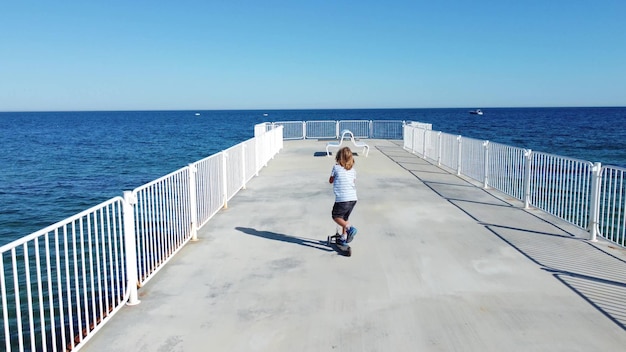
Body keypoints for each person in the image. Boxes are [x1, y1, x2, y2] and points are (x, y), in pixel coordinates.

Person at [329, 146, 358, 245]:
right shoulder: (353, 171)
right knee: (344, 218)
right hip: (353, 198)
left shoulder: (336, 167)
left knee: (336, 216)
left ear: (339, 157)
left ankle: (350, 229)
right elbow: (353, 182)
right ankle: (343, 238)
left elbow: (330, 181)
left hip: (342, 198)